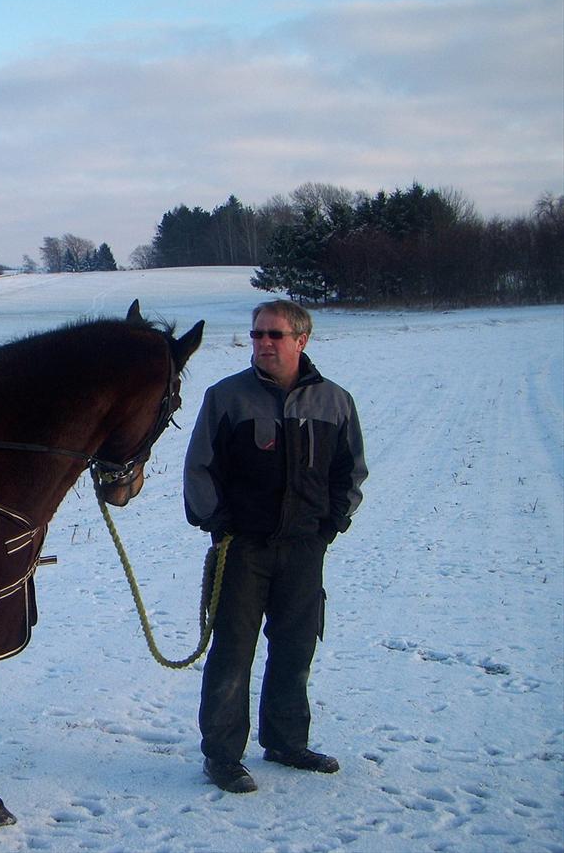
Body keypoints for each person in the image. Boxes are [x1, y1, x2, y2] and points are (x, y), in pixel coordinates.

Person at [183, 299, 367, 793]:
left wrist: (331, 524)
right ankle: (222, 755)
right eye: (257, 334)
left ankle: (286, 742)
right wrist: (218, 523)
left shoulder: (334, 401)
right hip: (243, 550)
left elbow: (349, 472)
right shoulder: (226, 398)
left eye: (274, 335)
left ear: (301, 340)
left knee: (295, 648)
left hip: (305, 549)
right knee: (233, 652)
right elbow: (199, 468)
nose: (263, 343)